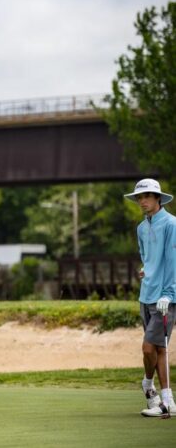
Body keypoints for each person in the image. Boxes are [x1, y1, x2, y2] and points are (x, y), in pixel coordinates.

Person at [124, 178, 176, 417]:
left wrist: (169, 293)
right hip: (146, 295)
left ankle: (152, 389)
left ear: (157, 198)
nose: (142, 201)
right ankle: (166, 401)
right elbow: (146, 257)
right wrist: (146, 270)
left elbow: (173, 261)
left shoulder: (171, 224)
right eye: (139, 198)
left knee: (148, 348)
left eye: (146, 197)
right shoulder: (141, 228)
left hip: (165, 297)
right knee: (158, 349)